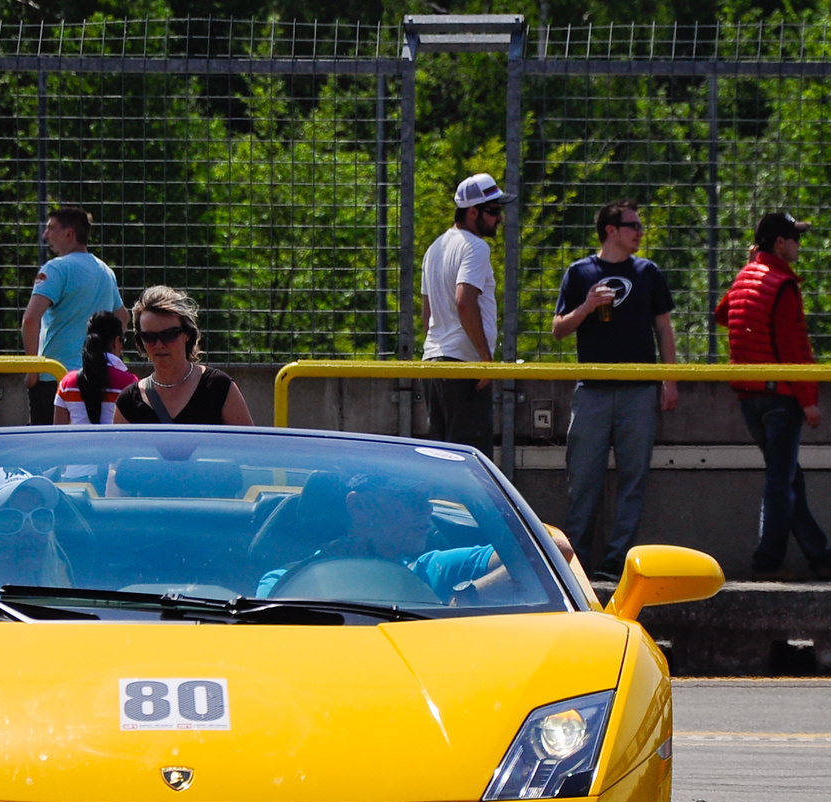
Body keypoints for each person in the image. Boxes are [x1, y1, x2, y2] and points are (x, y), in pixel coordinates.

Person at [716, 213, 831, 581]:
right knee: (781, 482)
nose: (799, 244)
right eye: (795, 238)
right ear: (780, 242)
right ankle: (767, 563)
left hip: (749, 395)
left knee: (790, 478)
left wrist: (748, 269)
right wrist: (808, 398)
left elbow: (721, 315)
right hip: (781, 397)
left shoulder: (747, 276)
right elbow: (792, 347)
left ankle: (821, 557)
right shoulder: (783, 284)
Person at [551, 198, 679, 583]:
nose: (640, 232)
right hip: (591, 391)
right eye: (633, 225)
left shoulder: (648, 272)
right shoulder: (580, 272)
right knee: (582, 479)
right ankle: (574, 563)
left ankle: (616, 558)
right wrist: (587, 306)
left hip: (639, 392)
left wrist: (670, 380)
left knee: (633, 478)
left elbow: (664, 329)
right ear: (611, 230)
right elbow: (558, 329)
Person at [255, 473, 509, 602]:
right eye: (411, 499)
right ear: (358, 507)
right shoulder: (284, 585)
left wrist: (465, 598)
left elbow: (541, 553)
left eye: (427, 498)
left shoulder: (431, 570)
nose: (428, 509)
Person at [420, 172, 513, 456]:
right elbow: (464, 301)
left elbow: (427, 312)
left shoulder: (435, 248)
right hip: (463, 365)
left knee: (442, 455)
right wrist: (485, 359)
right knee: (468, 459)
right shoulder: (475, 247)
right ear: (473, 212)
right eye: (494, 211)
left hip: (434, 361)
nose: (499, 218)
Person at [21, 207, 127, 425]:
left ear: (69, 233)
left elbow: (30, 320)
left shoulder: (56, 269)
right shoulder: (105, 271)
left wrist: (32, 370)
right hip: (99, 376)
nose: (45, 235)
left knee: (49, 451)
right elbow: (123, 317)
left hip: (56, 377)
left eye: (50, 228)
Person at [113, 286, 253, 425]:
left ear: (187, 334)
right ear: (140, 340)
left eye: (169, 334)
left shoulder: (218, 387)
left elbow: (248, 445)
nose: (159, 344)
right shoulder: (129, 402)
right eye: (149, 336)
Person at [54, 311, 137, 425]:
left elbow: (59, 431)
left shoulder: (67, 384)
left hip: (78, 443)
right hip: (114, 443)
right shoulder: (129, 383)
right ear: (117, 342)